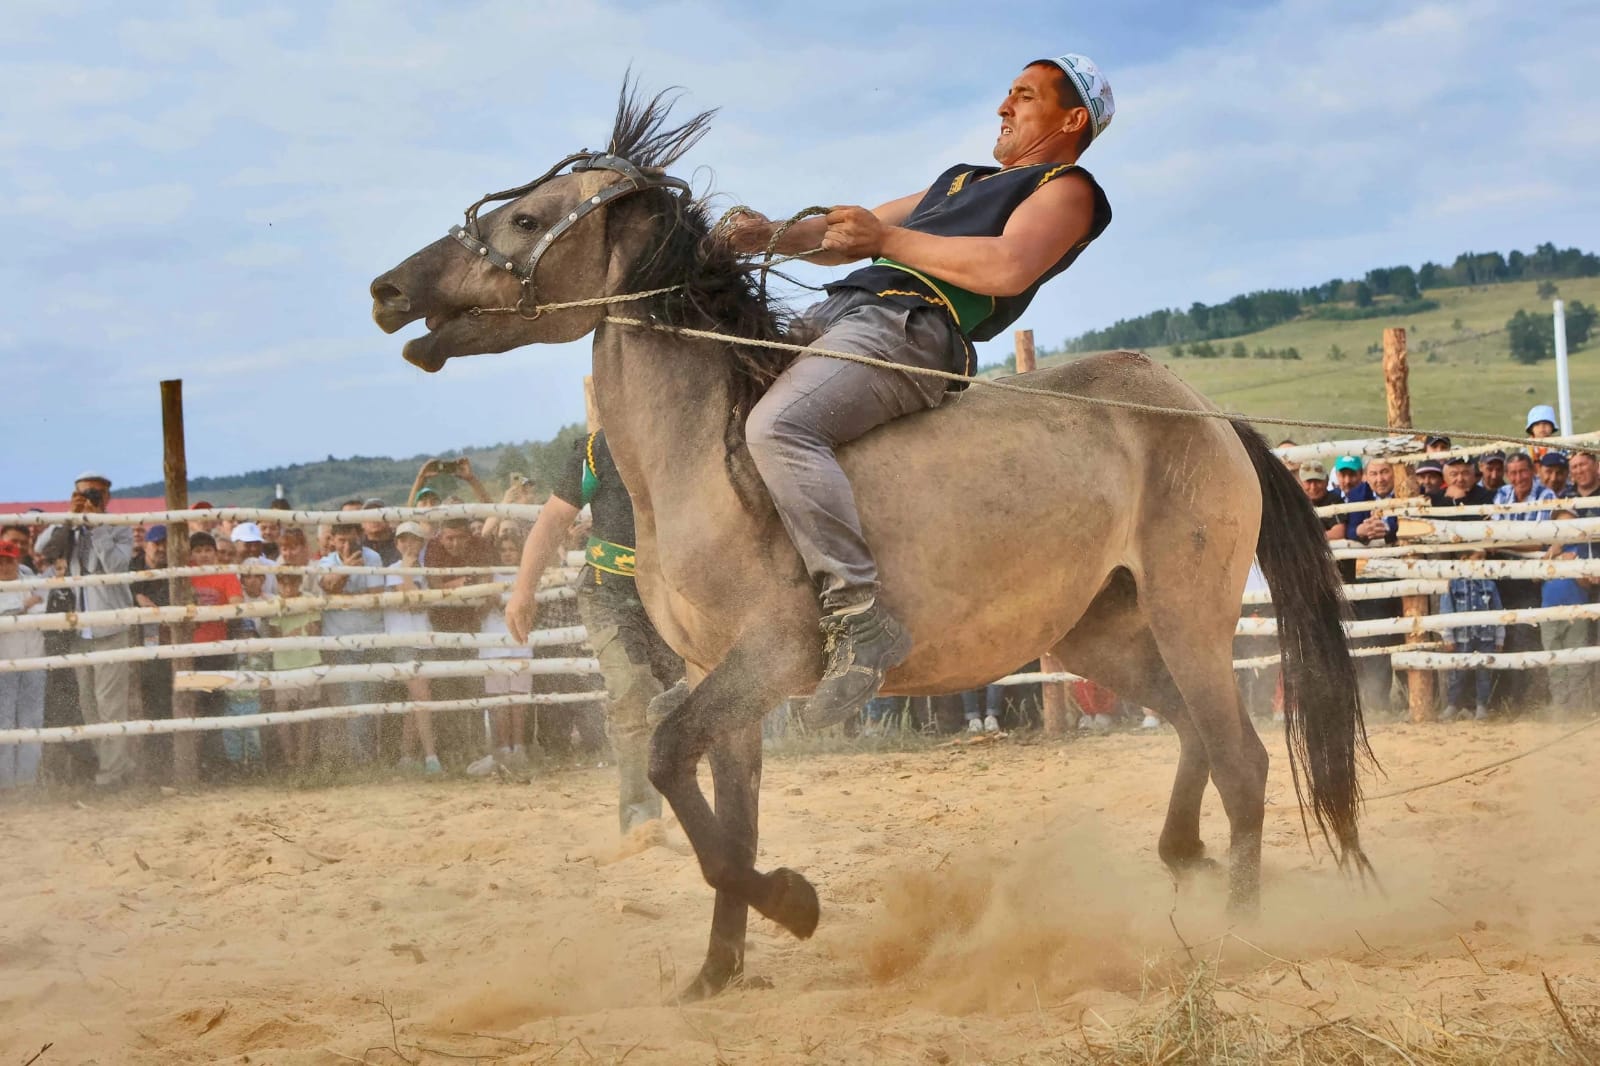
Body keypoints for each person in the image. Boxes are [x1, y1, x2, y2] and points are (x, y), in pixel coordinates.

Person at [724, 54, 1116, 720]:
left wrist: (888, 239)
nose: (1003, 107)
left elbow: (1008, 267)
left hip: (914, 326)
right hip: (838, 312)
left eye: (1023, 97)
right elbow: (846, 235)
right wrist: (769, 237)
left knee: (778, 427)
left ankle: (860, 618)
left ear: (1072, 118)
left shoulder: (1068, 186)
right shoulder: (959, 180)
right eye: (1008, 95)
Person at [506, 428, 685, 833]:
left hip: (676, 595)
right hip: (609, 592)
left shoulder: (691, 435)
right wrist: (523, 591)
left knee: (685, 699)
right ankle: (641, 822)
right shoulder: (599, 448)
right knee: (633, 691)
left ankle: (699, 814)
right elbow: (554, 516)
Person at [34, 471, 138, 788]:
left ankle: (111, 776)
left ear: (107, 497)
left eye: (95, 494)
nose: (90, 498)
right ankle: (116, 766)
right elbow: (43, 549)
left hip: (110, 627)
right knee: (90, 707)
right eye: (84, 493)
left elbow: (116, 567)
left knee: (111, 705)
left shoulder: (120, 526)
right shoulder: (70, 528)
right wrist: (68, 518)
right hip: (80, 629)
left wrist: (97, 525)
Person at [318, 522, 387, 763]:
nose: (347, 545)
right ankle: (358, 759)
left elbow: (375, 598)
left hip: (369, 638)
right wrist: (346, 570)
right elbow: (328, 587)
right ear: (332, 540)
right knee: (349, 703)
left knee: (368, 702)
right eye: (341, 540)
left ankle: (366, 758)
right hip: (339, 641)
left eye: (351, 540)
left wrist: (341, 596)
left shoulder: (373, 558)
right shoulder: (326, 562)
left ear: (360, 536)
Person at [471, 526, 534, 774]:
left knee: (519, 700)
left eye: (512, 549)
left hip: (519, 642)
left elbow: (532, 611)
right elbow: (478, 613)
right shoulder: (489, 576)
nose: (508, 554)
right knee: (499, 703)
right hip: (493, 645)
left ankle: (519, 747)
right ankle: (503, 748)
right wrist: (492, 599)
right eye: (504, 550)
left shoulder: (525, 576)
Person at [382, 522, 441, 774]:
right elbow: (412, 599)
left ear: (421, 543)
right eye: (403, 540)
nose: (408, 545)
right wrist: (407, 570)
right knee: (422, 695)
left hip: (423, 639)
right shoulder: (393, 570)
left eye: (413, 540)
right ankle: (430, 756)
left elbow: (418, 604)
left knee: (417, 698)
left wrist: (412, 586)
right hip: (404, 640)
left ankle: (407, 757)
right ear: (396, 544)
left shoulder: (424, 571)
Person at [0, 538, 48, 789]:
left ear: (17, 560)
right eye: (1, 561)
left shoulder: (30, 582)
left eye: (9, 560)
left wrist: (21, 607)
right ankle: (5, 783)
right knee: (4, 722)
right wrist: (22, 607)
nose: (4, 566)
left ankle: (26, 781)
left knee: (31, 720)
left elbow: (44, 607)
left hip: (33, 660)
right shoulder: (30, 587)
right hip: (4, 665)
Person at [1540, 509, 1593, 718]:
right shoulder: (1548, 548)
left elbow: (1587, 585)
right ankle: (1560, 708)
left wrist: (1574, 566)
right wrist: (1554, 553)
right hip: (1549, 610)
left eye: (1569, 525)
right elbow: (1535, 577)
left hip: (1577, 609)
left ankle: (1577, 709)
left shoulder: (1583, 547)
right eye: (1560, 525)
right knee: (1555, 662)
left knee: (1577, 661)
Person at [267, 569, 322, 769]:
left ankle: (303, 759)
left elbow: (316, 630)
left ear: (299, 582)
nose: (288, 589)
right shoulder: (276, 604)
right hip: (283, 665)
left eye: (292, 584)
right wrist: (294, 634)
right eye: (284, 584)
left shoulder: (309, 600)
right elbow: (275, 636)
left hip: (308, 660)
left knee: (306, 713)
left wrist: (294, 634)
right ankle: (289, 758)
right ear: (278, 584)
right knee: (283, 714)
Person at [1438, 554, 1502, 722]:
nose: (1480, 562)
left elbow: (1498, 612)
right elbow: (1447, 610)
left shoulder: (1490, 583)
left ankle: (1482, 706)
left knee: (1484, 672)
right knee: (1458, 671)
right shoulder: (1453, 583)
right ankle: (1453, 704)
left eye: (1483, 558)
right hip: (1462, 636)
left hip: (1486, 635)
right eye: (1477, 558)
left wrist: (1499, 637)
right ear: (1463, 559)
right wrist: (1448, 636)